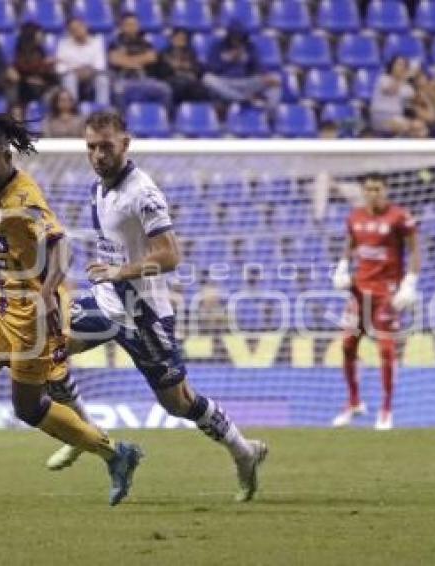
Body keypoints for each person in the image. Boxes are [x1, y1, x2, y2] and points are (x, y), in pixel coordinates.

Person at [0, 113, 142, 513]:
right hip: (2, 307)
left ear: (5, 155)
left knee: (28, 409)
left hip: (33, 316)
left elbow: (60, 244)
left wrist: (48, 293)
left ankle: (116, 453)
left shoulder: (25, 197)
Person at [43, 111, 267, 502]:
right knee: (46, 346)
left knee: (178, 402)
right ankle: (87, 434)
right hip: (107, 299)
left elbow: (170, 255)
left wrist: (120, 270)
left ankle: (243, 451)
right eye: (91, 147)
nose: (98, 155)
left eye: (106, 147)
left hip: (142, 311)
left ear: (125, 144)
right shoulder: (99, 188)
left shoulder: (142, 193)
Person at [331, 172, 420, 430]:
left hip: (386, 294)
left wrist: (409, 283)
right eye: (369, 189)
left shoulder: (400, 217)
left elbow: (414, 250)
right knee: (347, 345)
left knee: (386, 350)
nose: (373, 193)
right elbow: (350, 245)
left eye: (378, 189)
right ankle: (354, 402)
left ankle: (386, 410)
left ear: (386, 190)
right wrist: (342, 267)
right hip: (359, 292)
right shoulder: (355, 217)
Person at [202, 21, 281, 112]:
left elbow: (257, 69)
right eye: (234, 37)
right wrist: (227, 59)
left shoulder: (250, 47)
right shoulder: (217, 46)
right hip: (225, 82)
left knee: (275, 80)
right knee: (207, 79)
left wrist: (247, 60)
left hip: (246, 82)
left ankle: (270, 113)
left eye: (240, 37)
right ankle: (243, 99)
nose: (237, 40)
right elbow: (211, 68)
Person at [108, 13, 172, 110]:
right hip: (123, 79)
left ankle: (164, 120)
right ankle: (122, 122)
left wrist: (127, 60)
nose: (132, 27)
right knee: (118, 91)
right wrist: (140, 60)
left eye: (134, 24)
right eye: (128, 25)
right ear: (122, 27)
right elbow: (115, 60)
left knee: (165, 89)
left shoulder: (145, 42)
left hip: (145, 79)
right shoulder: (115, 42)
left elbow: (152, 57)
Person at [56, 17, 110, 106]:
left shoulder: (97, 42)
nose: (78, 31)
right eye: (73, 29)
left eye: (79, 27)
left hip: (93, 75)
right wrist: (76, 71)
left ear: (85, 26)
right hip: (73, 75)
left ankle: (102, 110)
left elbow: (100, 65)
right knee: (69, 78)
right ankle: (73, 109)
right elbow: (60, 68)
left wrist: (88, 70)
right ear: (70, 32)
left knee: (103, 79)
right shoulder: (63, 44)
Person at [370, 56, 426, 137]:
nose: (401, 67)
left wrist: (419, 81)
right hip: (381, 117)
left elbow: (417, 100)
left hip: (397, 117)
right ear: (392, 66)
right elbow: (391, 90)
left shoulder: (407, 86)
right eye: (399, 64)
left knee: (421, 127)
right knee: (408, 127)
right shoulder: (383, 79)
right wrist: (406, 76)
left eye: (404, 65)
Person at [7, 21, 58, 106]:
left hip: (42, 86)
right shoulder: (20, 52)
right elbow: (20, 71)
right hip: (25, 88)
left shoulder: (40, 50)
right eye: (40, 33)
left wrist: (48, 68)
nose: (42, 35)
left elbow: (46, 74)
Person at [156, 28, 208, 106]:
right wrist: (174, 68)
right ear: (172, 39)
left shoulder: (190, 53)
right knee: (185, 85)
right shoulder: (164, 54)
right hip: (172, 80)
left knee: (201, 87)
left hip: (190, 79)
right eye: (178, 38)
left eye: (183, 39)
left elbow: (199, 69)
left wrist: (184, 66)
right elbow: (161, 72)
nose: (180, 41)